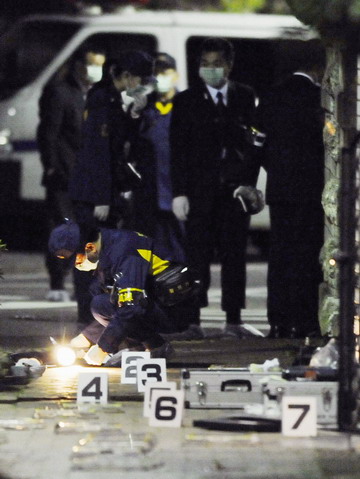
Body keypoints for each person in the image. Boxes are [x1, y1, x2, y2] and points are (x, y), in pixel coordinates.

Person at [169, 37, 262, 339]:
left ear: (229, 65)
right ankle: (192, 320)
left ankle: (233, 321)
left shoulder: (245, 96)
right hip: (199, 192)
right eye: (204, 64)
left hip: (234, 193)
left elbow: (253, 145)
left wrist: (249, 184)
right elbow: (178, 150)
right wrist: (179, 192)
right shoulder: (186, 100)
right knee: (196, 258)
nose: (210, 70)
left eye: (216, 64)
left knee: (235, 257)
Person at [68, 50, 154, 330]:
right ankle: (85, 314)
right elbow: (98, 152)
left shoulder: (114, 99)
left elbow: (123, 141)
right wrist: (101, 198)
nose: (141, 84)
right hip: (93, 194)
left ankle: (94, 313)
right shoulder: (102, 99)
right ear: (127, 75)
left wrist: (135, 113)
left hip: (102, 191)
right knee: (89, 253)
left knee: (102, 255)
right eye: (140, 78)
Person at [48, 221, 199, 364]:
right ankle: (143, 346)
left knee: (101, 305)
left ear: (90, 248)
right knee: (99, 293)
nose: (76, 266)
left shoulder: (125, 251)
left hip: (174, 311)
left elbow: (131, 307)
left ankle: (156, 347)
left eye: (76, 261)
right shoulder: (108, 245)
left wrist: (103, 348)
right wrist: (86, 338)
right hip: (156, 301)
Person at [257, 48, 325, 338]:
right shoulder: (319, 98)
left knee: (280, 256)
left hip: (281, 189)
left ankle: (278, 321)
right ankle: (306, 320)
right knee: (308, 257)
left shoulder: (272, 96)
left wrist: (275, 171)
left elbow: (258, 143)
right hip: (312, 190)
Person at [37, 47, 106, 302]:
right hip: (65, 175)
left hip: (91, 177)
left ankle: (86, 281)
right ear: (78, 65)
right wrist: (52, 166)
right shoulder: (61, 92)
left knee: (91, 232)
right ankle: (57, 281)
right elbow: (49, 133)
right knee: (63, 229)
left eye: (100, 64)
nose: (94, 70)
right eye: (90, 64)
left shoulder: (99, 95)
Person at [132, 52, 186, 263]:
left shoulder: (188, 107)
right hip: (148, 194)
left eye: (165, 72)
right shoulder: (143, 108)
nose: (160, 77)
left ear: (175, 75)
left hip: (178, 193)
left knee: (180, 251)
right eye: (156, 73)